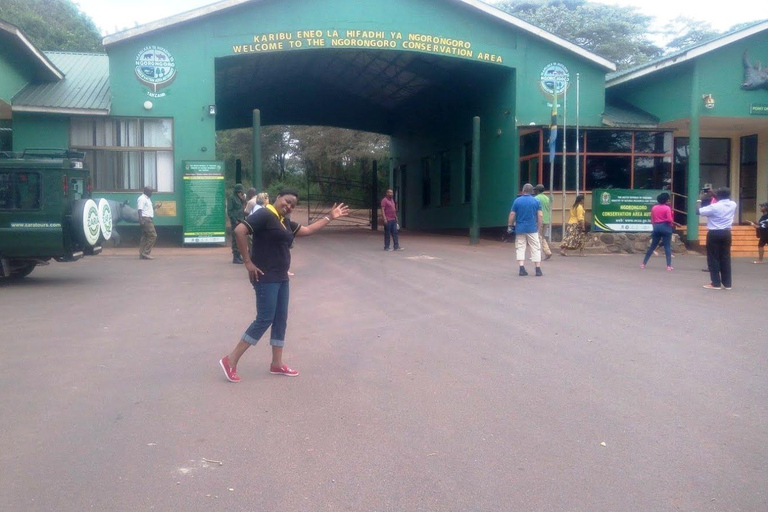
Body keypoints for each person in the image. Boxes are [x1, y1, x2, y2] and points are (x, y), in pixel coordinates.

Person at [219, 189, 349, 382]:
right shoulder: (265, 214)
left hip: (281, 277)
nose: (288, 206)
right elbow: (239, 231)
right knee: (264, 319)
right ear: (278, 197)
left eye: (292, 205)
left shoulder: (283, 220)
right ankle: (230, 360)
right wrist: (247, 262)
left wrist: (330, 217)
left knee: (280, 319)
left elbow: (307, 230)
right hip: (265, 277)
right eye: (287, 202)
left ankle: (277, 364)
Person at [698, 187, 737, 290]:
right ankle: (727, 284)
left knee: (713, 258)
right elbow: (722, 198)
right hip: (726, 233)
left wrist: (699, 199)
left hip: (714, 233)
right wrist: (712, 193)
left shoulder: (714, 207)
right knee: (725, 257)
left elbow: (698, 211)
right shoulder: (733, 204)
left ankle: (715, 283)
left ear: (718, 196)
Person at [508, 183, 543, 276]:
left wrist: (510, 225)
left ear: (523, 191)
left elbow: (512, 214)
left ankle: (521, 268)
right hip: (532, 228)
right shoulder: (536, 201)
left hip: (520, 228)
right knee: (535, 248)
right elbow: (540, 215)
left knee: (520, 247)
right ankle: (538, 269)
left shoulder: (517, 201)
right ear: (532, 191)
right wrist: (538, 226)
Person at [641, 192, 676, 270]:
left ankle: (643, 263)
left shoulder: (654, 208)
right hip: (666, 227)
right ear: (666, 200)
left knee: (652, 246)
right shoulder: (667, 208)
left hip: (656, 227)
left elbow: (652, 219)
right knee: (667, 246)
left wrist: (655, 226)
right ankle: (669, 266)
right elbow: (669, 219)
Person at [137, 186, 157, 260]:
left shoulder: (147, 199)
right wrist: (141, 220)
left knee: (145, 236)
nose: (151, 193)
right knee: (153, 235)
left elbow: (147, 209)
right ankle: (146, 253)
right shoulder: (142, 199)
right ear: (146, 191)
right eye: (150, 191)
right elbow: (140, 210)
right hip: (146, 219)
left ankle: (142, 253)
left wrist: (155, 207)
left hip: (147, 218)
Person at [229, 184, 247, 264]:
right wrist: (234, 220)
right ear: (237, 191)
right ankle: (235, 257)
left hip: (241, 220)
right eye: (240, 191)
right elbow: (230, 211)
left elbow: (242, 208)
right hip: (235, 221)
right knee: (235, 239)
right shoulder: (232, 198)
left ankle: (239, 255)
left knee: (240, 239)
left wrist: (243, 199)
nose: (241, 193)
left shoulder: (240, 199)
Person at [533, 184, 552, 260]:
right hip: (547, 220)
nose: (534, 191)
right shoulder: (547, 198)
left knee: (537, 237)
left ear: (537, 191)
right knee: (542, 237)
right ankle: (547, 251)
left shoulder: (536, 198)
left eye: (535, 190)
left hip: (539, 220)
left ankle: (539, 254)